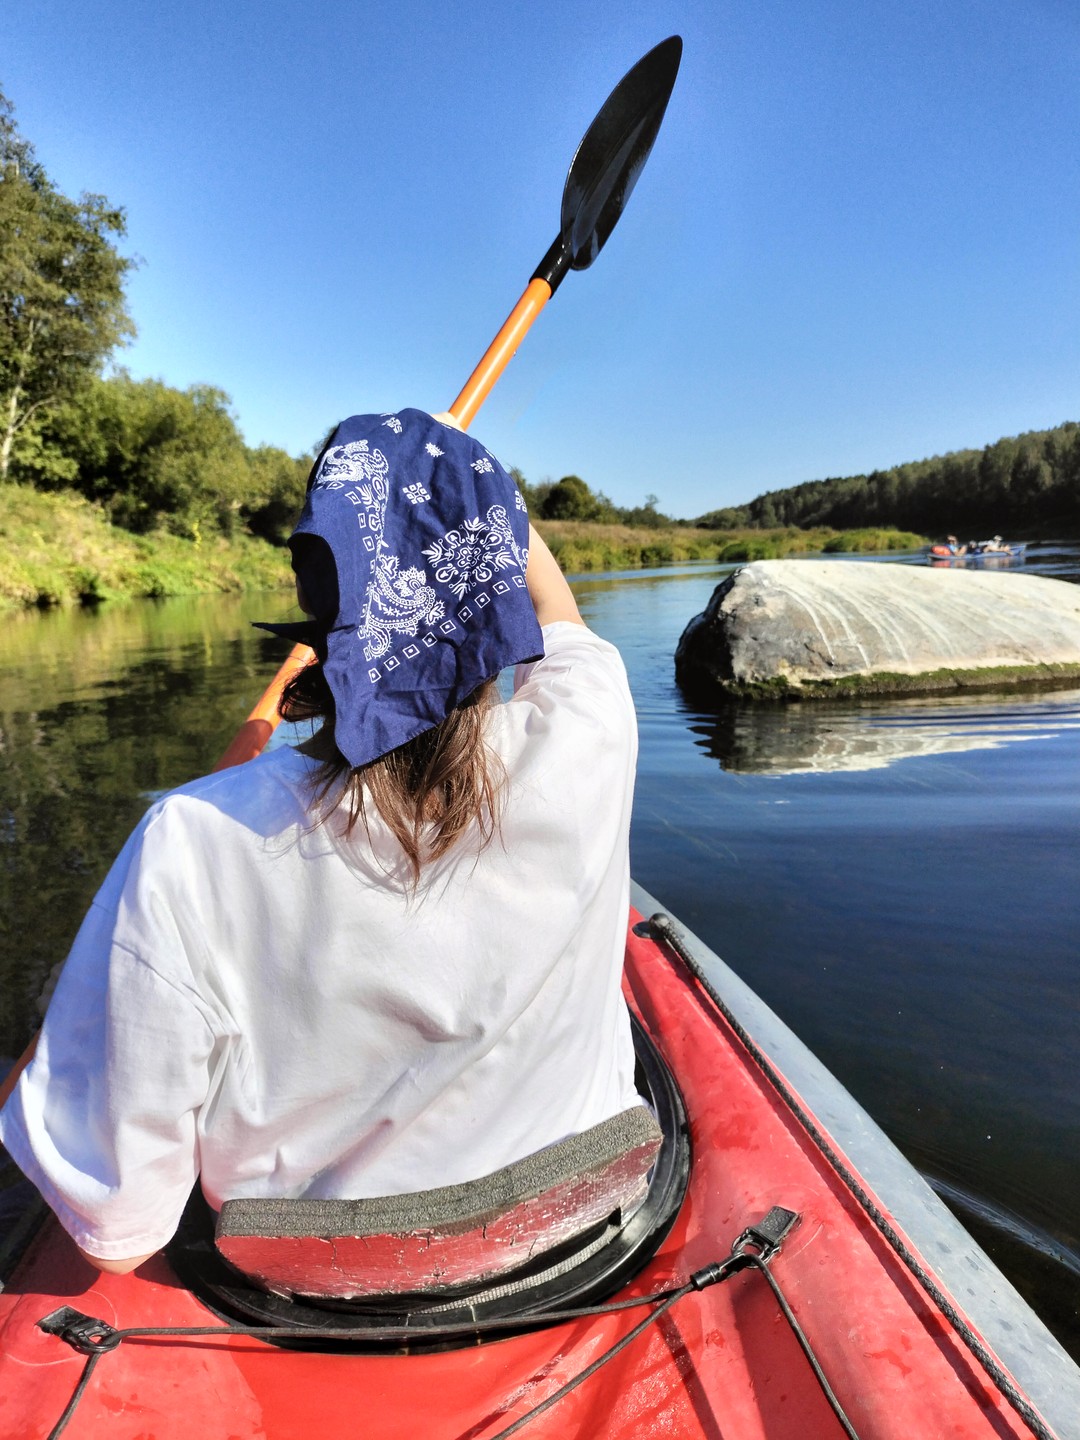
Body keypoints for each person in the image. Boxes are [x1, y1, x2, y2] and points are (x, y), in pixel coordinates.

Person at [0, 409, 641, 1275]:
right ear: (495, 578)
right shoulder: (593, 727)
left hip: (314, 1292)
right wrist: (472, 477)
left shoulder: (191, 842)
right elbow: (555, 605)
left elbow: (122, 1228)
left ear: (312, 591)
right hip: (581, 1235)